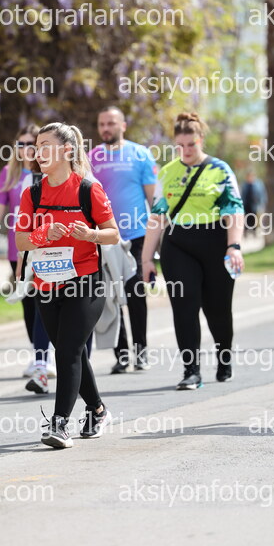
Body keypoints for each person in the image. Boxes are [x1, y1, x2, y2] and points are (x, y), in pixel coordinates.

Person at [16, 122, 119, 449]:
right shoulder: (32, 193)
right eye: (37, 146)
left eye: (45, 145)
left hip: (85, 282)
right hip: (47, 284)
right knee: (68, 350)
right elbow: (21, 241)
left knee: (69, 350)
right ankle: (98, 410)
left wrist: (90, 234)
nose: (38, 152)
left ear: (67, 150)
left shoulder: (88, 189)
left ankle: (60, 424)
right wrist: (43, 234)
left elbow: (113, 234)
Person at [142, 112, 244, 390]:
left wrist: (234, 246)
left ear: (201, 140)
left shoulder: (220, 169)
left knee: (217, 311)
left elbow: (234, 210)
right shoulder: (167, 172)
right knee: (184, 307)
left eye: (191, 145)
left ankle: (224, 358)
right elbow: (157, 216)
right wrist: (146, 259)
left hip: (215, 242)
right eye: (180, 146)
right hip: (178, 244)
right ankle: (191, 371)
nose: (185, 151)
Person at [0, 124, 54, 395]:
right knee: (28, 304)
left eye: (31, 144)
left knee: (43, 302)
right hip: (19, 250)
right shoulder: (10, 173)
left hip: (46, 248)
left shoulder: (48, 171)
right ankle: (39, 354)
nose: (26, 149)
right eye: (21, 144)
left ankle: (45, 358)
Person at [89, 106, 157, 374]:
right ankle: (122, 354)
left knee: (135, 293)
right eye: (102, 124)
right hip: (106, 237)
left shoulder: (140, 154)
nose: (106, 128)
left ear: (123, 126)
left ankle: (141, 351)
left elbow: (153, 199)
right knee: (112, 296)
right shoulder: (92, 157)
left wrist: (157, 239)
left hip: (137, 235)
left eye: (111, 123)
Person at [241, 169, 267, 234]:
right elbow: (242, 195)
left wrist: (262, 204)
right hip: (246, 205)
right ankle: (246, 232)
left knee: (255, 218)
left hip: (255, 205)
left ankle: (254, 231)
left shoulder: (259, 184)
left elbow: (262, 194)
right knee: (247, 218)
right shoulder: (244, 184)